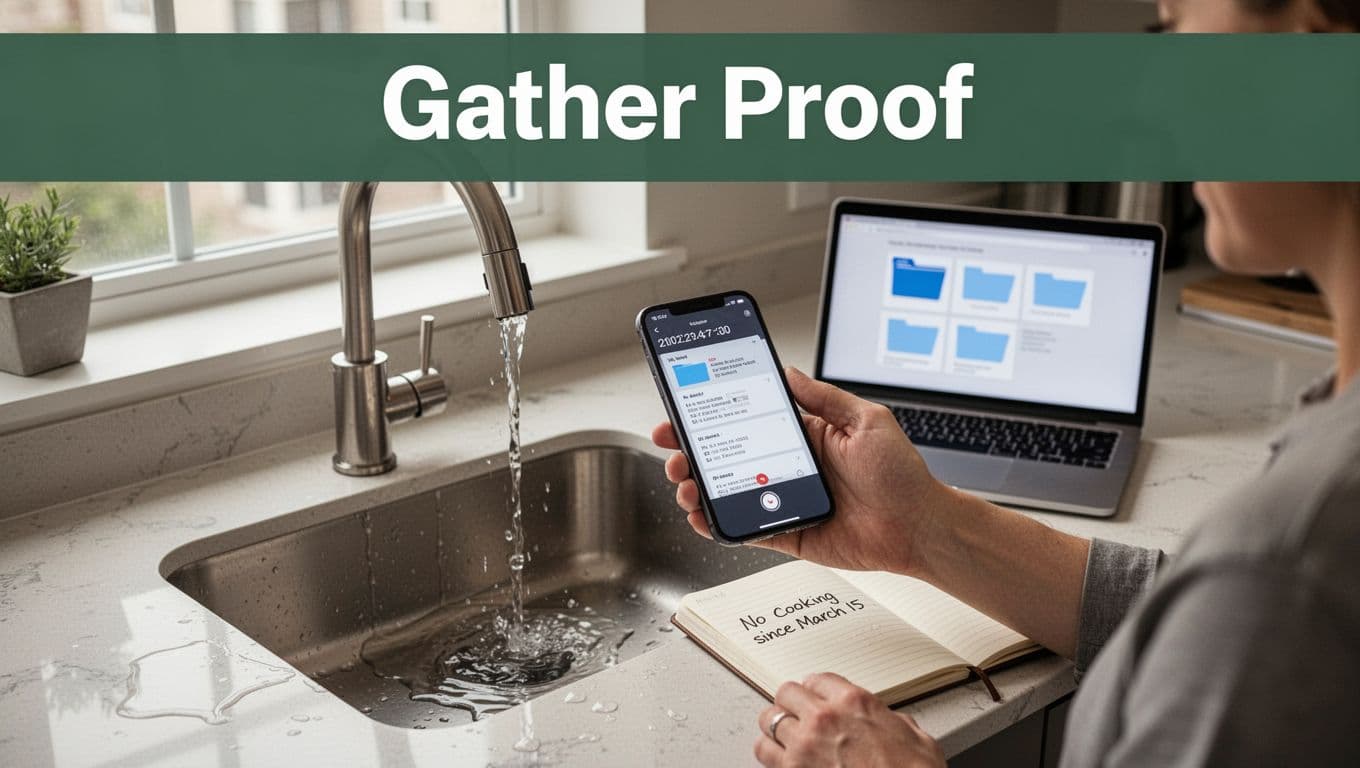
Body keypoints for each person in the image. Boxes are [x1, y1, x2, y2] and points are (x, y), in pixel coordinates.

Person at [651, 2, 1360, 764]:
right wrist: (923, 529)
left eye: (1180, 25)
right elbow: (1207, 623)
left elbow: (1253, 613)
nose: (1156, 96)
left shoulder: (1290, 559)